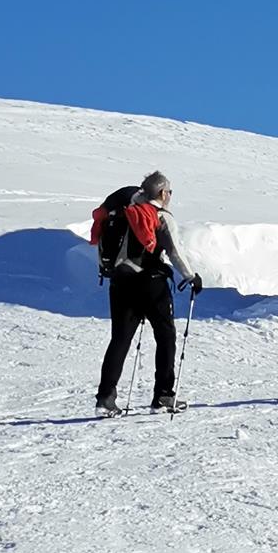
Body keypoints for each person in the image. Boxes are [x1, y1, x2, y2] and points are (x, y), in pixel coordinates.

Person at [94, 171, 202, 414]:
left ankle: (105, 399)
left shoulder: (122, 212)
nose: (170, 196)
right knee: (165, 336)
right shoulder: (160, 217)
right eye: (170, 192)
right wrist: (191, 277)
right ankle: (163, 396)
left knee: (120, 340)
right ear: (162, 193)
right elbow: (174, 252)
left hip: (120, 282)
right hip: (151, 284)